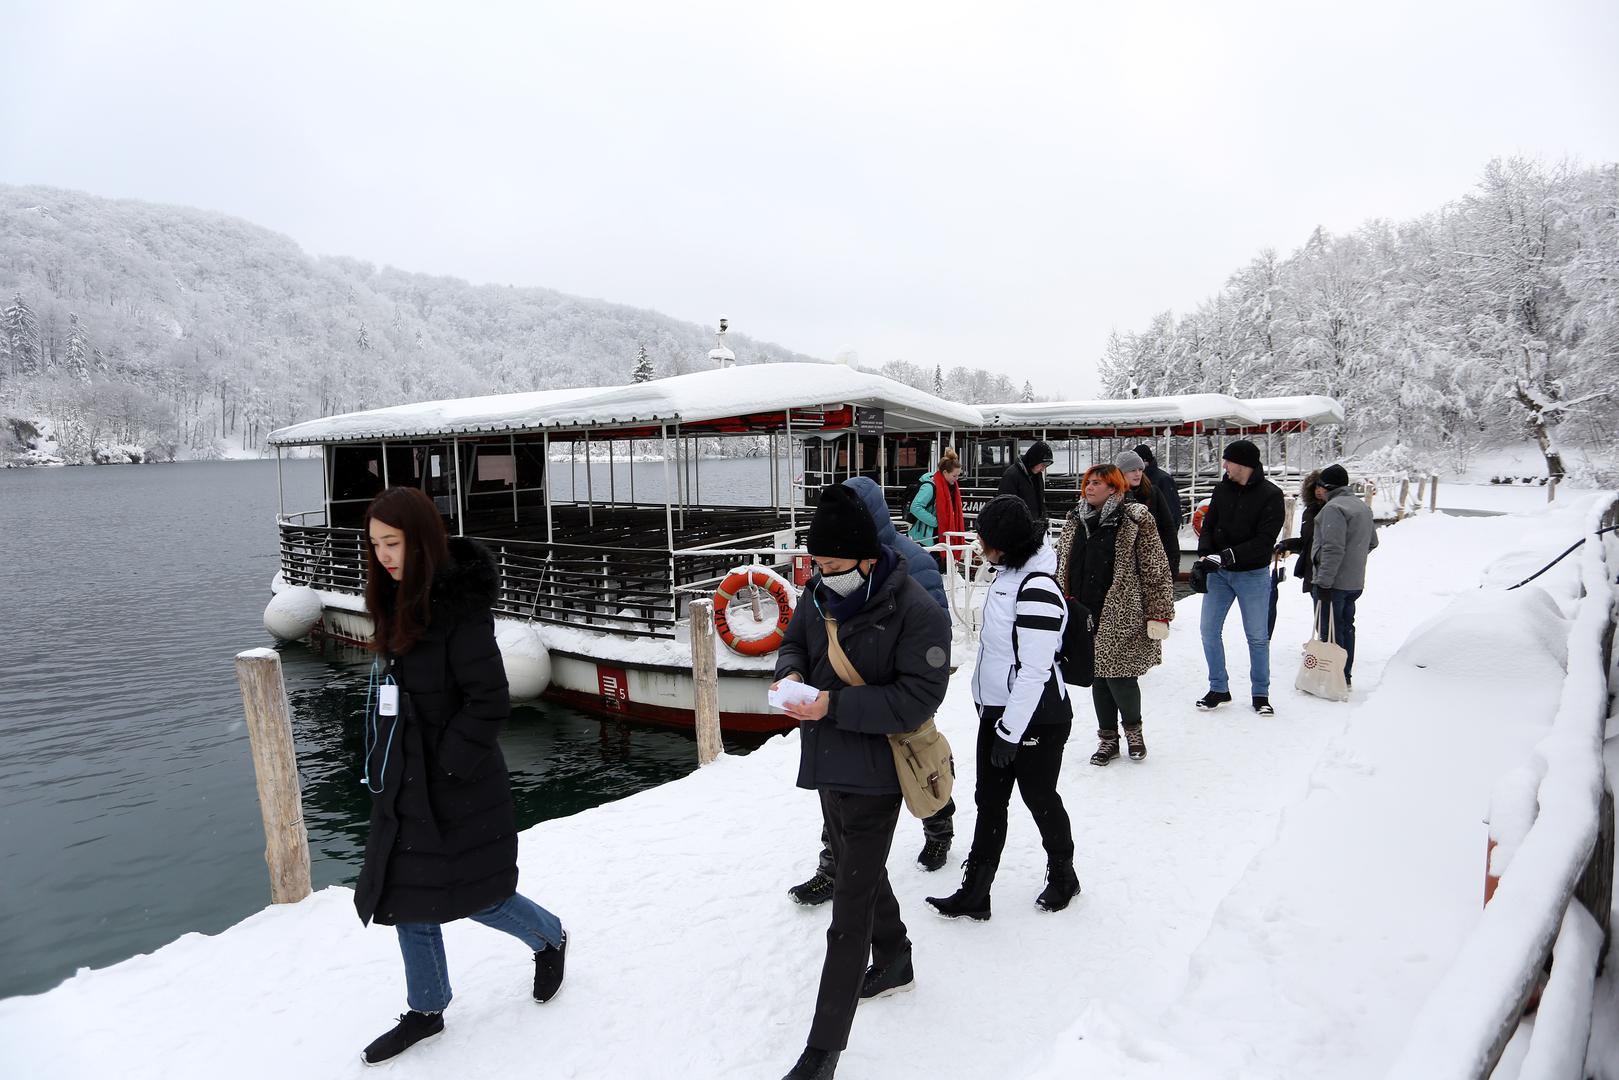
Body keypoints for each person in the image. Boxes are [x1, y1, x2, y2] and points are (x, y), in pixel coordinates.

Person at [353, 487, 567, 1066]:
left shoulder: (458, 611)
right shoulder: (394, 600)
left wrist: (448, 763)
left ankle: (550, 937)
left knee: (481, 895)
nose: (384, 556)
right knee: (406, 894)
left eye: (393, 543)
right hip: (406, 779)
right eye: (375, 546)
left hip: (458, 781)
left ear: (420, 540)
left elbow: (489, 699)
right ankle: (427, 1008)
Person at [770, 484, 952, 1080]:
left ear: (867, 558)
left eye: (829, 564)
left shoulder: (916, 610)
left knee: (848, 908)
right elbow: (796, 639)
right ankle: (896, 956)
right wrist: (792, 672)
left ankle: (823, 1052)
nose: (817, 573)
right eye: (813, 564)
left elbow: (917, 698)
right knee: (856, 864)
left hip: (876, 773)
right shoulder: (819, 589)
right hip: (826, 759)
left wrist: (833, 707)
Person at [786, 476, 956, 907]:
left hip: (893, 696)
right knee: (840, 796)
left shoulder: (911, 564)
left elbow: (932, 637)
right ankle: (833, 866)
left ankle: (938, 822)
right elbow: (801, 635)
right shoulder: (831, 566)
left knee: (918, 765)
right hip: (837, 707)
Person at [925, 494, 1080, 922]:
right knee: (989, 800)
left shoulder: (1037, 588)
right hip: (998, 711)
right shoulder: (1008, 574)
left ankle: (1064, 874)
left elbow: (1034, 670)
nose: (977, 543)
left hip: (1037, 717)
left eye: (984, 538)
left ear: (1004, 544)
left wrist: (1010, 732)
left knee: (1039, 796)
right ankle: (976, 891)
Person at [1056, 466, 1176, 765]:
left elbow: (1155, 567)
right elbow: (1061, 562)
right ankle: (1107, 738)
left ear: (1114, 488)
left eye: (1097, 483)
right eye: (1087, 483)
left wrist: (1158, 612)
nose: (1089, 488)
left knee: (1121, 676)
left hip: (1122, 609)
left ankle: (1134, 732)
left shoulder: (1134, 518)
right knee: (1097, 675)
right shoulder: (1075, 519)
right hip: (1082, 609)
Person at [1194, 440, 1285, 715]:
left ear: (1243, 464)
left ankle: (1260, 694)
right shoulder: (1221, 489)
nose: (1224, 466)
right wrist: (1205, 556)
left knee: (1257, 636)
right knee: (1209, 630)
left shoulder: (1271, 495)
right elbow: (1208, 526)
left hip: (1253, 575)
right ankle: (1218, 687)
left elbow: (1265, 540)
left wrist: (1228, 555)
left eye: (1227, 460)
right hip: (1219, 574)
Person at [1310, 463, 1379, 689]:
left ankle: (1334, 678)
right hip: (1355, 581)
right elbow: (1372, 542)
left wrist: (1324, 582)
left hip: (1334, 582)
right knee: (1347, 627)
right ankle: (1345, 675)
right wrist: (1355, 558)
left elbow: (1332, 548)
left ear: (1326, 486)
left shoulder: (1333, 509)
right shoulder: (1361, 506)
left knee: (1331, 630)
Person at [1115, 449, 1180, 573]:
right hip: (1123, 565)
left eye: (1140, 470)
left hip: (1152, 562)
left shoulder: (1152, 492)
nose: (1137, 474)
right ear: (1121, 473)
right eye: (1133, 470)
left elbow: (1168, 528)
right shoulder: (1113, 496)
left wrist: (1172, 563)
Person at [907, 447, 966, 564]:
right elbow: (915, 507)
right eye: (955, 476)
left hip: (938, 534)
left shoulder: (949, 486)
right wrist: (936, 522)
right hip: (929, 536)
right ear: (945, 473)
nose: (957, 479)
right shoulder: (929, 487)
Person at [1276, 469, 1325, 594]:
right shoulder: (1309, 512)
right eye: (1316, 488)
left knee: (1330, 612)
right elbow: (1307, 542)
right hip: (1312, 571)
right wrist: (1287, 545)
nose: (1319, 491)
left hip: (1327, 572)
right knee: (1321, 611)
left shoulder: (1333, 511)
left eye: (1322, 487)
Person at [998, 440, 1053, 522]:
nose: (1043, 469)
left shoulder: (1036, 475)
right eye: (1042, 465)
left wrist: (1043, 519)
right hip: (1017, 527)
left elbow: (1040, 502)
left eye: (1045, 466)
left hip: (1034, 525)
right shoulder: (1011, 475)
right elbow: (1004, 505)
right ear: (1035, 460)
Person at [1133, 443, 1183, 527]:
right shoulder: (1141, 478)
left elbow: (1172, 511)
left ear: (1144, 461)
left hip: (1159, 531)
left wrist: (1169, 534)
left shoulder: (1163, 479)